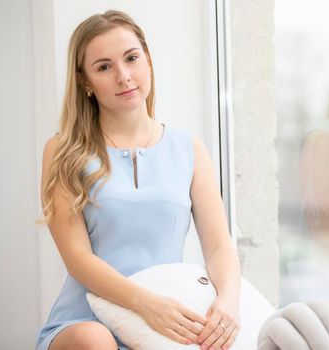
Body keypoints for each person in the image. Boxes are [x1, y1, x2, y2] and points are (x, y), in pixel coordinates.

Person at [35, 10, 241, 350]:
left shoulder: (188, 148)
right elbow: (77, 259)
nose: (123, 76)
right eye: (104, 67)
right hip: (86, 320)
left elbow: (219, 246)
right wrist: (146, 304)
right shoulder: (62, 151)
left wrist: (229, 300)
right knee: (94, 340)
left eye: (131, 58)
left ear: (147, 61)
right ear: (85, 81)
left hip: (168, 320)